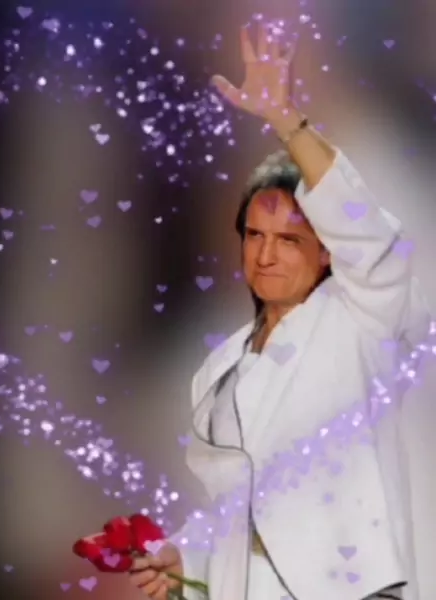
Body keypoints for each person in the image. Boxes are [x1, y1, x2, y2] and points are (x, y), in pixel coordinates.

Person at [128, 23, 430, 600]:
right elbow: (233, 513)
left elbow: (375, 246)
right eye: (255, 236)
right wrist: (181, 559)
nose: (267, 254)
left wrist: (287, 121)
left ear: (326, 249)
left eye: (289, 239)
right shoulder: (214, 373)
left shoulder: (367, 324)